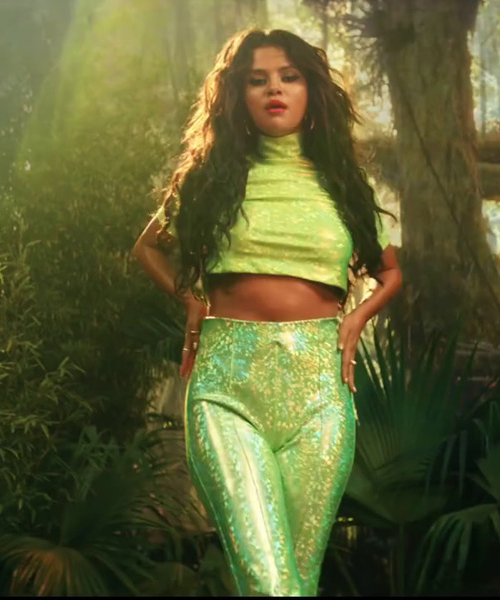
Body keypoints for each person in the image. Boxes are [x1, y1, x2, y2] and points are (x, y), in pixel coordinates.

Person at [131, 28, 402, 597]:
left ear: (311, 92)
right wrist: (192, 301)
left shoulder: (343, 188)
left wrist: (357, 318)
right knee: (269, 579)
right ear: (237, 97)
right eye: (257, 80)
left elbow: (390, 271)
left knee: (297, 584)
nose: (273, 89)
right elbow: (147, 247)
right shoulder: (208, 181)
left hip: (320, 397)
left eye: (288, 77)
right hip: (229, 388)